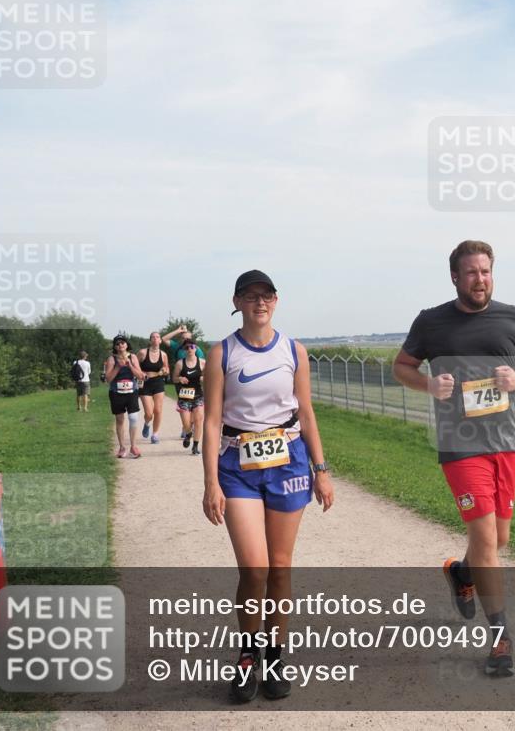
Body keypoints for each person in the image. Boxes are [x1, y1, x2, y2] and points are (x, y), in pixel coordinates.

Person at [392, 240, 515, 678]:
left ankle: (462, 573)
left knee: (496, 541)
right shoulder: (431, 322)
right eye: (472, 272)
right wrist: (428, 385)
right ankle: (500, 638)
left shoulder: (513, 317)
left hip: (504, 443)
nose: (480, 279)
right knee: (483, 536)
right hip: (460, 445)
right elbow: (401, 366)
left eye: (486, 271)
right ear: (455, 277)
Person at [202, 269, 334, 703]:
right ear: (237, 302)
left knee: (280, 567)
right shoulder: (221, 353)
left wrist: (321, 468)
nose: (260, 302)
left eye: (268, 295)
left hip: (289, 460)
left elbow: (308, 412)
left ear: (276, 301)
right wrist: (210, 483)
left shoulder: (294, 351)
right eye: (251, 295)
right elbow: (211, 420)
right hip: (237, 465)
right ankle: (247, 655)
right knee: (254, 569)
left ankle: (274, 656)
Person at [103, 335, 146, 459]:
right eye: (117, 343)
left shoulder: (133, 357)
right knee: (120, 419)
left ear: (127, 345)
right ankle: (122, 447)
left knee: (133, 417)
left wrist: (130, 366)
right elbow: (108, 379)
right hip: (116, 393)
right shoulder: (111, 359)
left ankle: (133, 446)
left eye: (123, 343)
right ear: (115, 347)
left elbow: (141, 376)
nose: (120, 345)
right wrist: (118, 366)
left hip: (131, 392)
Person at [173, 338, 206, 455]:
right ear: (184, 350)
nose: (189, 349)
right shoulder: (180, 363)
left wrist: (203, 378)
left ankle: (195, 446)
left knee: (199, 420)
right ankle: (188, 433)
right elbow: (174, 378)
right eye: (187, 347)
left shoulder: (202, 363)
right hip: (184, 397)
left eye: (191, 347)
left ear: (196, 348)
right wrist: (180, 379)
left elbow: (208, 377)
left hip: (198, 395)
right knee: (186, 423)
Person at [138, 332, 170, 444]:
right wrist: (141, 373)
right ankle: (147, 424)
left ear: (160, 341)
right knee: (149, 413)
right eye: (153, 337)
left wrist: (165, 371)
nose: (155, 339)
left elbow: (167, 369)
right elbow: (134, 367)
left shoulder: (164, 354)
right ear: (150, 340)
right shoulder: (142, 353)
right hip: (145, 383)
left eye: (157, 337)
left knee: (158, 410)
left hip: (158, 383)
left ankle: (155, 434)